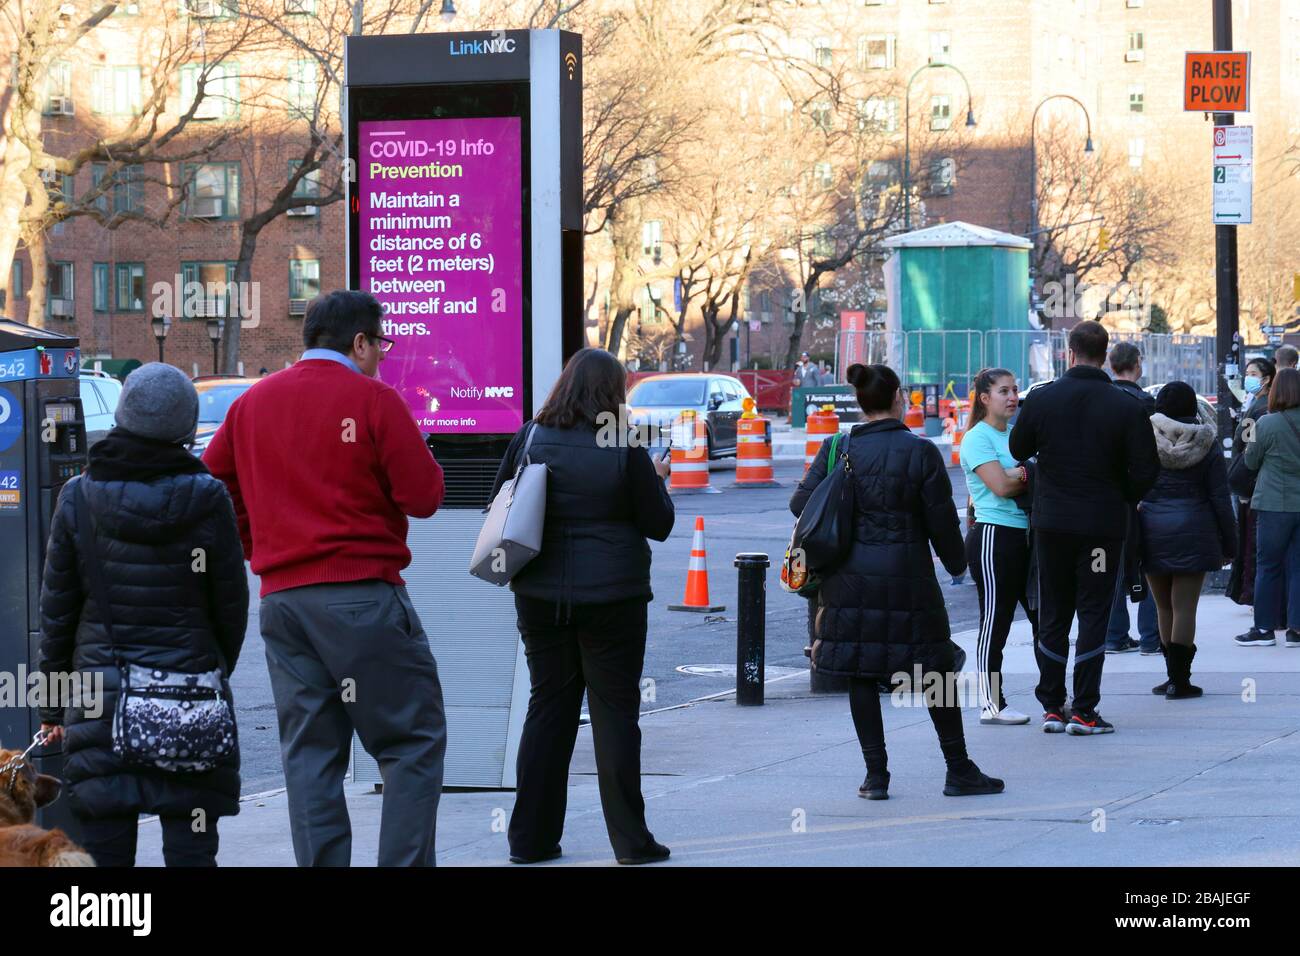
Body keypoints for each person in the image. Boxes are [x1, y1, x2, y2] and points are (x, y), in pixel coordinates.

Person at [204, 290, 448, 867]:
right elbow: (424, 497)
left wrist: (256, 541)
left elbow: (214, 485)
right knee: (411, 742)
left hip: (284, 602)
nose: (382, 357)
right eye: (379, 345)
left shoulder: (250, 404)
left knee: (311, 755)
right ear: (358, 343)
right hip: (363, 595)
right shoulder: (374, 400)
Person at [38, 363, 249, 866]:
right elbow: (231, 605)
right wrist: (211, 668)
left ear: (122, 415)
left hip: (101, 706)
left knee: (105, 852)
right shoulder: (209, 498)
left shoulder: (79, 498)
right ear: (185, 427)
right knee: (192, 841)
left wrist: (51, 708)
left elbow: (57, 615)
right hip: (189, 700)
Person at [491, 348, 675, 865]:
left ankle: (530, 840)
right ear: (613, 391)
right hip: (613, 598)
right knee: (615, 714)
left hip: (540, 596)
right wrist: (658, 477)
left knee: (548, 710)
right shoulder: (624, 443)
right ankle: (631, 843)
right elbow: (658, 524)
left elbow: (501, 501)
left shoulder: (529, 436)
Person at [792, 363, 1003, 800]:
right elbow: (941, 520)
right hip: (909, 578)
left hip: (848, 582)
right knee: (934, 671)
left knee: (860, 673)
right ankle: (958, 768)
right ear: (896, 400)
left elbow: (801, 504)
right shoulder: (920, 452)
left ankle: (876, 776)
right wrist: (955, 562)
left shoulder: (838, 446)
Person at [1009, 320, 1161, 735]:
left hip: (1053, 522)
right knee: (1094, 611)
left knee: (1054, 611)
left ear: (1069, 352)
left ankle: (1052, 704)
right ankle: (1085, 707)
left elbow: (1018, 448)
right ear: (1106, 355)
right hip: (1100, 525)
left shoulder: (1043, 398)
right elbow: (1147, 468)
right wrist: (1122, 495)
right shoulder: (1125, 405)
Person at [1138, 382, 1236, 698]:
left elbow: (1131, 487)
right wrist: (1230, 543)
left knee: (1163, 607)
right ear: (1191, 408)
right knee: (1185, 609)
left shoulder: (1143, 441)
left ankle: (1169, 677)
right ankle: (1181, 681)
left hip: (1151, 529)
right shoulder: (1206, 443)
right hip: (1195, 529)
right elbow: (1220, 497)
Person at [958, 368, 1036, 726]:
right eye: (1003, 391)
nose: (1012, 396)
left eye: (1015, 389)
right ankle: (993, 703)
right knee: (996, 621)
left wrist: (1018, 474)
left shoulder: (1019, 435)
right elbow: (1001, 488)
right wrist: (1024, 474)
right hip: (993, 535)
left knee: (1042, 618)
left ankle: (1054, 697)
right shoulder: (977, 438)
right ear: (985, 398)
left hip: (1025, 535)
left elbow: (1035, 475)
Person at [1237, 367, 1300, 648]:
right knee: (1298, 567)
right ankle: (1296, 630)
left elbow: (1250, 462)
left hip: (1274, 504)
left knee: (1268, 566)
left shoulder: (1267, 423)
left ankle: (1263, 628)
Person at [1106, 342, 1161, 656]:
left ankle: (1115, 634)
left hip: (1109, 497)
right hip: (1142, 496)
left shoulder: (1103, 401)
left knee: (1112, 565)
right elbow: (1152, 455)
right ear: (1137, 364)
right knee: (1150, 564)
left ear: (1112, 365)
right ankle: (1151, 635)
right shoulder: (1146, 404)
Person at [1227, 357, 1275, 611]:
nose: (1249, 378)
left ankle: (1252, 593)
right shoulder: (1257, 405)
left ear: (1266, 379)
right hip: (1255, 484)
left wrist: (1242, 482)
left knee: (1252, 543)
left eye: (1253, 373)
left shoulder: (1258, 409)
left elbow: (1246, 447)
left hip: (1252, 485)